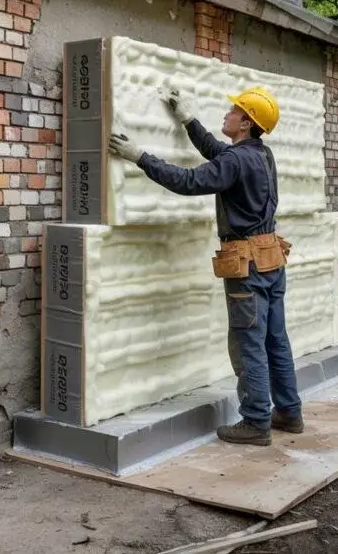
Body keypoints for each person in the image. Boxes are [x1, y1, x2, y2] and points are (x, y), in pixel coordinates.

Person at [108, 85, 303, 446]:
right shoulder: (262, 154)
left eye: (233, 111)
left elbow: (189, 181)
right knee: (276, 339)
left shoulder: (236, 161)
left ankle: (256, 421)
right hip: (271, 259)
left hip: (246, 264)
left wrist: (140, 156)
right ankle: (289, 412)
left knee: (249, 343)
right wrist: (189, 120)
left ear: (245, 123)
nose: (227, 113)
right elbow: (220, 156)